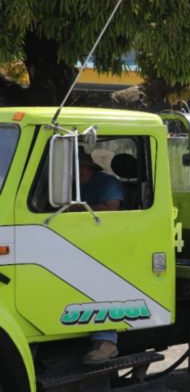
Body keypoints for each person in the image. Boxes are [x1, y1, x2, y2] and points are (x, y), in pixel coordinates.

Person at [73, 151, 126, 364]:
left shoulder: (107, 182)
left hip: (111, 245)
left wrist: (73, 209)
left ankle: (106, 340)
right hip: (82, 243)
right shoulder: (73, 187)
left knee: (99, 279)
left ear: (81, 168)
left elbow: (110, 209)